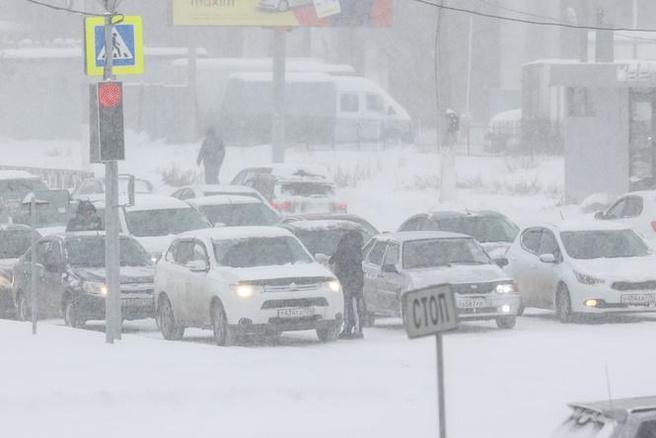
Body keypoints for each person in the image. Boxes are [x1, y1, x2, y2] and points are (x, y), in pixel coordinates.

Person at [330, 230, 365, 339]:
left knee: (349, 305)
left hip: (348, 280)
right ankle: (354, 328)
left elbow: (339, 260)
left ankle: (350, 328)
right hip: (354, 280)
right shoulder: (354, 247)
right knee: (353, 305)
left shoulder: (345, 246)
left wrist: (333, 259)